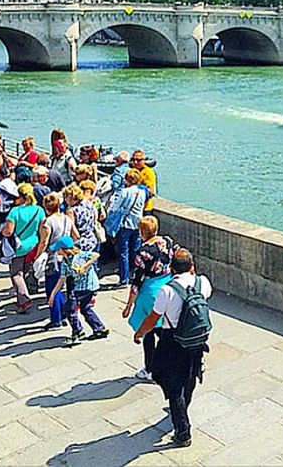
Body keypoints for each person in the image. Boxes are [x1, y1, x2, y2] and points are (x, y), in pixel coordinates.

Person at [134, 249, 212, 448]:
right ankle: (182, 406)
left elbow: (153, 318)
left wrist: (140, 333)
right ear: (192, 265)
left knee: (169, 381)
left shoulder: (167, 290)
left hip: (172, 341)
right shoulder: (203, 283)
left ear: (171, 268)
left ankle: (183, 431)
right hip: (195, 339)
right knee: (190, 377)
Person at [123, 216, 177, 381]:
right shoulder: (167, 241)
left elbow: (137, 283)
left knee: (148, 330)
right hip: (167, 286)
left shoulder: (143, 252)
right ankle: (175, 360)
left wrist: (128, 306)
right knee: (164, 328)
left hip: (150, 291)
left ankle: (150, 369)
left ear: (142, 232)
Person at [48, 235, 109, 345]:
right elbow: (62, 279)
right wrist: (53, 294)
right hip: (80, 287)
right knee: (85, 308)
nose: (57, 252)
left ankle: (78, 331)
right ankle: (99, 328)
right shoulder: (65, 262)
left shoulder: (80, 255)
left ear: (64, 250)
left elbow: (96, 255)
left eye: (58, 249)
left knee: (69, 309)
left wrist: (84, 266)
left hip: (86, 286)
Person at [1, 183, 44, 313]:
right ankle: (28, 290)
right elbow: (42, 230)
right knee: (26, 270)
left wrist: (1, 232)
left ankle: (24, 300)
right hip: (34, 245)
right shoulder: (39, 210)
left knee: (16, 274)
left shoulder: (15, 212)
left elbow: (8, 231)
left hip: (18, 247)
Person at [34, 192, 74, 329]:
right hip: (66, 256)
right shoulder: (67, 219)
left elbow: (44, 241)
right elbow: (75, 235)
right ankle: (64, 313)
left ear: (46, 207)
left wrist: (38, 256)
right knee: (60, 286)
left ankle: (55, 319)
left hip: (53, 257)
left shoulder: (48, 222)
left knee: (52, 289)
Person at [106, 168, 146, 286]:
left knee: (123, 252)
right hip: (137, 224)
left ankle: (124, 279)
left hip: (125, 225)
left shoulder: (124, 192)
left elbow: (114, 207)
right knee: (136, 250)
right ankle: (135, 273)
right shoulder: (142, 192)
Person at [63, 182, 97, 254]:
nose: (65, 199)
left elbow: (72, 229)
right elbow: (95, 216)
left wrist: (75, 244)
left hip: (81, 241)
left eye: (66, 196)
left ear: (71, 197)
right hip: (91, 238)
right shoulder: (88, 203)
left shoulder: (71, 211)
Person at [131, 150, 156, 215]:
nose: (135, 162)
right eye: (134, 160)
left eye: (138, 160)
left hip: (145, 207)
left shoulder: (148, 172)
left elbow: (152, 191)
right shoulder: (132, 170)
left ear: (143, 160)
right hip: (133, 206)